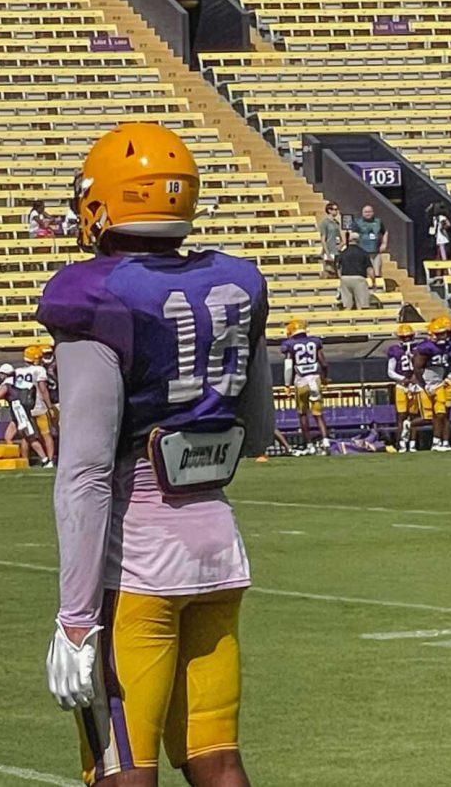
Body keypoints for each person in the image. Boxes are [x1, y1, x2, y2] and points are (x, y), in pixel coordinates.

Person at [35, 122, 270, 787]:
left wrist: (76, 621)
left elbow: (83, 472)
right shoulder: (237, 281)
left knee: (123, 769)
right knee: (216, 760)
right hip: (219, 554)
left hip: (137, 567)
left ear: (105, 202)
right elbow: (254, 430)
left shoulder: (96, 294)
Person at [412, 316, 451, 452]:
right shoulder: (425, 347)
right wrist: (424, 385)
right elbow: (417, 368)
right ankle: (410, 428)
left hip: (440, 382)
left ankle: (438, 442)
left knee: (441, 413)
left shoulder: (448, 345)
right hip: (426, 384)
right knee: (428, 417)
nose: (442, 336)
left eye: (443, 333)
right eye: (439, 334)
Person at [281, 319, 330, 454]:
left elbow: (288, 367)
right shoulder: (315, 342)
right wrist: (325, 378)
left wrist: (287, 384)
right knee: (318, 414)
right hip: (315, 379)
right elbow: (324, 364)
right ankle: (326, 441)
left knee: (303, 414)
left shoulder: (289, 344)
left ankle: (309, 445)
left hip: (301, 381)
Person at [14, 344, 55, 466]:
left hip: (24, 408)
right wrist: (50, 406)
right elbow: (43, 390)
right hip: (39, 406)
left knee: (27, 437)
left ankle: (25, 461)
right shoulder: (39, 370)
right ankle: (50, 461)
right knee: (46, 434)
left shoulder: (17, 371)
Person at [386, 323, 421, 452]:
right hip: (402, 386)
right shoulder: (395, 350)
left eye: (409, 336)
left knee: (413, 416)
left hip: (415, 385)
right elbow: (390, 371)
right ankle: (401, 443)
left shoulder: (418, 349)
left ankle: (412, 444)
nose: (407, 339)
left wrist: (416, 378)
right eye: (404, 337)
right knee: (401, 416)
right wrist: (403, 379)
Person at [349, 205, 387, 288]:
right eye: (366, 212)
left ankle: (377, 288)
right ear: (362, 213)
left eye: (369, 212)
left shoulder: (378, 221)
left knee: (377, 273)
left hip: (375, 252)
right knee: (365, 272)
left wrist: (384, 243)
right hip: (362, 252)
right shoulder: (357, 222)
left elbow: (384, 232)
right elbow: (351, 235)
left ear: (373, 212)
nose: (368, 214)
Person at [337, 231, 373, 310]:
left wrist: (341, 278)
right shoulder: (363, 253)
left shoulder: (343, 253)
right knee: (361, 306)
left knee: (347, 306)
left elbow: (338, 268)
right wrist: (373, 281)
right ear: (358, 241)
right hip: (359, 279)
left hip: (345, 278)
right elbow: (369, 269)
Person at [318, 202, 341, 278]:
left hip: (336, 249)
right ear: (329, 210)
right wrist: (327, 252)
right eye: (334, 209)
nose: (336, 211)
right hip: (329, 249)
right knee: (328, 270)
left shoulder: (336, 223)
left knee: (336, 269)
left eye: (337, 209)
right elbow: (323, 239)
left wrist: (341, 244)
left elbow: (339, 236)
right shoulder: (325, 222)